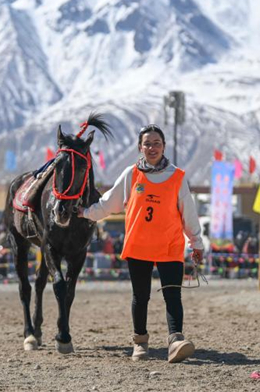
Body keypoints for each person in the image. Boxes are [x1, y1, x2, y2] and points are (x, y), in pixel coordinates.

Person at [82, 124, 204, 363]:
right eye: (147, 143)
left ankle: (176, 341)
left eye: (156, 143)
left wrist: (196, 242)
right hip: (139, 246)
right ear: (140, 147)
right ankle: (140, 343)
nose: (152, 147)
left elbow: (188, 212)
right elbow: (109, 204)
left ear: (164, 146)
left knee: (173, 295)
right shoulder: (131, 174)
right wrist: (85, 213)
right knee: (141, 296)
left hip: (170, 245)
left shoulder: (177, 176)